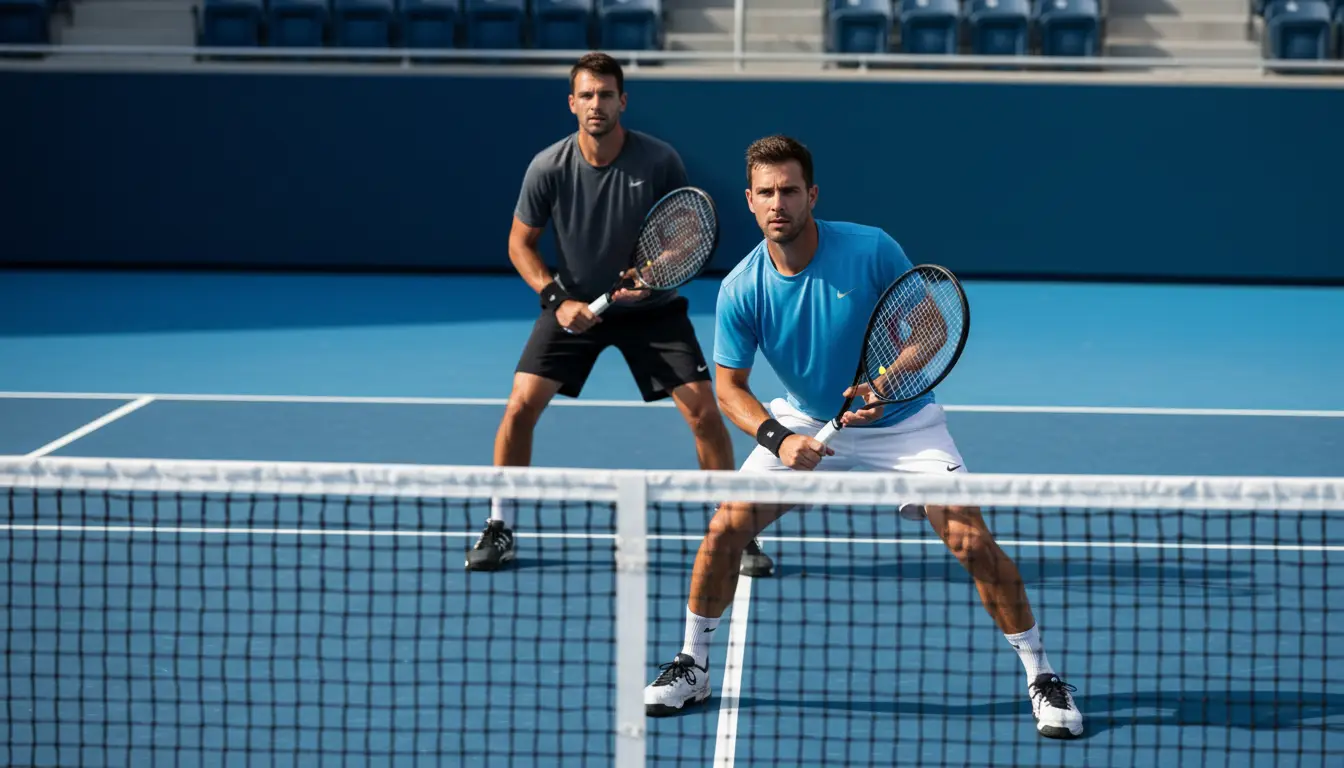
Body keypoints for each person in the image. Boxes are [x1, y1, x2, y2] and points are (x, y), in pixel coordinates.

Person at [642, 135, 1085, 741]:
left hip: (903, 425)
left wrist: (889, 381)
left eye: (790, 190)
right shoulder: (743, 287)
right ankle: (693, 665)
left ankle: (1043, 676)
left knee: (971, 540)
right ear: (749, 200)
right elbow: (730, 391)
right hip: (802, 419)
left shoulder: (870, 248)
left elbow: (930, 325)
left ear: (812, 194)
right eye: (766, 192)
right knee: (725, 528)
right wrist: (778, 440)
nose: (779, 203)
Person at [465, 52, 774, 577]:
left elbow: (687, 233)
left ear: (622, 101)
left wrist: (654, 272)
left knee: (703, 411)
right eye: (586, 95)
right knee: (520, 406)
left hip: (651, 310)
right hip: (575, 307)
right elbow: (520, 244)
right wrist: (556, 299)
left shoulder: (658, 161)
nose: (596, 104)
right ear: (572, 102)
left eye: (606, 95)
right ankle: (499, 525)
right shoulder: (549, 167)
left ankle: (730, 529)